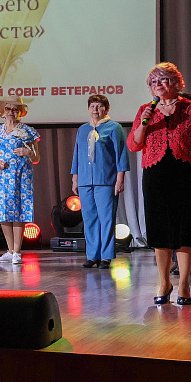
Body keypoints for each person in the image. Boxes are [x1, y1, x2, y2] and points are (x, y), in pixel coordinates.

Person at [127, 63, 191, 306]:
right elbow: (134, 144)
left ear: (175, 82)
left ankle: (184, 283)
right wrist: (144, 122)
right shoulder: (145, 110)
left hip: (186, 175)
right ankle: (164, 282)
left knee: (185, 229)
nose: (158, 85)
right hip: (155, 176)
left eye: (163, 80)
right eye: (154, 82)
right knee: (160, 229)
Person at [70, 94, 129, 269]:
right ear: (88, 109)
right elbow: (77, 155)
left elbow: (121, 155)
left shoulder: (114, 127)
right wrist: (75, 178)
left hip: (106, 180)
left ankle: (106, 256)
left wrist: (120, 179)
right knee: (89, 219)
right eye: (92, 106)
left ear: (106, 109)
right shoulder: (82, 130)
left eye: (99, 106)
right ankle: (92, 255)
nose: (96, 110)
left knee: (106, 219)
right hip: (85, 180)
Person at [0, 97, 40, 265]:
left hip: (21, 176)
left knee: (18, 212)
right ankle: (10, 251)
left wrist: (28, 152)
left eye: (15, 109)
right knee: (4, 212)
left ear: (20, 112)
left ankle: (17, 251)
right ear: (3, 111)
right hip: (2, 177)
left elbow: (37, 158)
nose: (11, 112)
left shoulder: (28, 131)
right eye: (8, 109)